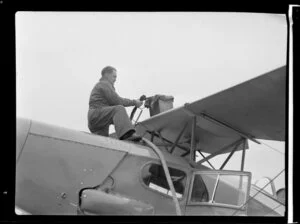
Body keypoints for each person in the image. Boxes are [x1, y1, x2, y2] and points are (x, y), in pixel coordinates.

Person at [88, 66, 143, 141]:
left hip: (98, 121)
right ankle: (126, 135)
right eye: (114, 76)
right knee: (119, 109)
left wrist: (125, 122)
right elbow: (117, 101)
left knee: (102, 142)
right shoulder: (104, 84)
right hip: (97, 114)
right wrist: (134, 102)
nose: (115, 79)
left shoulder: (101, 85)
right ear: (107, 75)